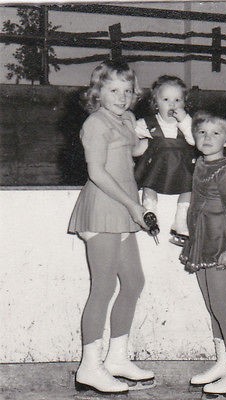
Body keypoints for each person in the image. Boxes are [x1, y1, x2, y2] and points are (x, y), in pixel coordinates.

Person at [68, 60, 154, 394]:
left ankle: (117, 358)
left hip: (123, 209)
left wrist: (150, 140)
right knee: (102, 288)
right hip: (103, 208)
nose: (121, 97)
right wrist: (134, 205)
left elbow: (132, 151)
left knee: (133, 282)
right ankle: (89, 367)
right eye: (113, 90)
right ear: (98, 92)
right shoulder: (95, 123)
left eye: (127, 91)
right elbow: (97, 172)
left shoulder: (128, 119)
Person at [180, 107, 226, 395]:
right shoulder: (201, 164)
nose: (207, 137)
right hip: (202, 244)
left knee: (223, 308)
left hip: (222, 246)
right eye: (202, 132)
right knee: (212, 308)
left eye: (216, 133)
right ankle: (224, 363)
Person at [134, 75, 195, 246]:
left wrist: (183, 120)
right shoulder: (147, 123)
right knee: (149, 184)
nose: (172, 104)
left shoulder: (187, 123)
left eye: (178, 100)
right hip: (156, 168)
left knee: (190, 187)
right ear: (155, 102)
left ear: (184, 103)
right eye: (166, 99)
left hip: (181, 169)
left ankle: (181, 221)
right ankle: (149, 212)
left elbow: (193, 140)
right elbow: (129, 134)